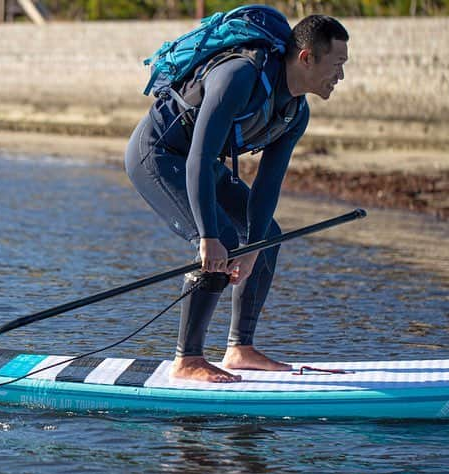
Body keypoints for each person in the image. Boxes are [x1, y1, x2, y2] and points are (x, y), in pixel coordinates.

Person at [125, 10, 349, 383]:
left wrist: (255, 246)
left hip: (199, 163)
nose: (340, 76)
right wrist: (209, 238)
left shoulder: (295, 113)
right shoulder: (239, 76)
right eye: (337, 64)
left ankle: (239, 348)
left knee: (267, 236)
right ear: (307, 57)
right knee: (221, 241)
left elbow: (266, 186)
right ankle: (187, 359)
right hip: (158, 156)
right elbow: (197, 156)